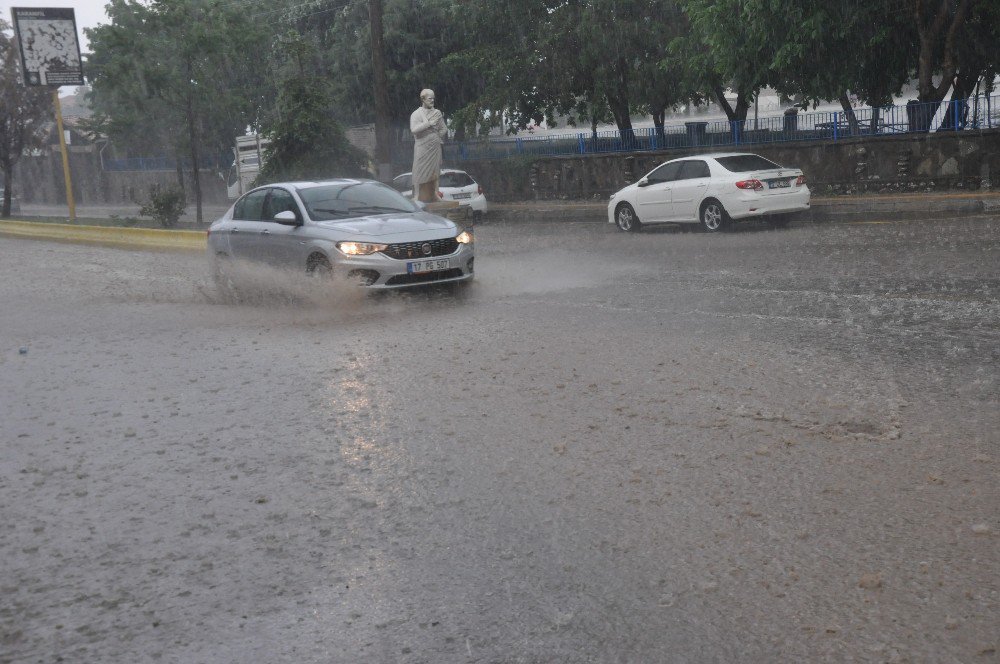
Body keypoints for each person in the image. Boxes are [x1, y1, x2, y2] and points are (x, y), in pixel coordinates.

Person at [409, 89, 448, 203]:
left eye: (433, 98)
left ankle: (435, 193)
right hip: (421, 145)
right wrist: (428, 124)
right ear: (423, 99)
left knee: (435, 170)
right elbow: (414, 130)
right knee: (418, 168)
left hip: (434, 146)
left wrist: (436, 136)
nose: (432, 100)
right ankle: (417, 195)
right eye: (430, 98)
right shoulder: (416, 114)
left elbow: (444, 128)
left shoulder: (437, 113)